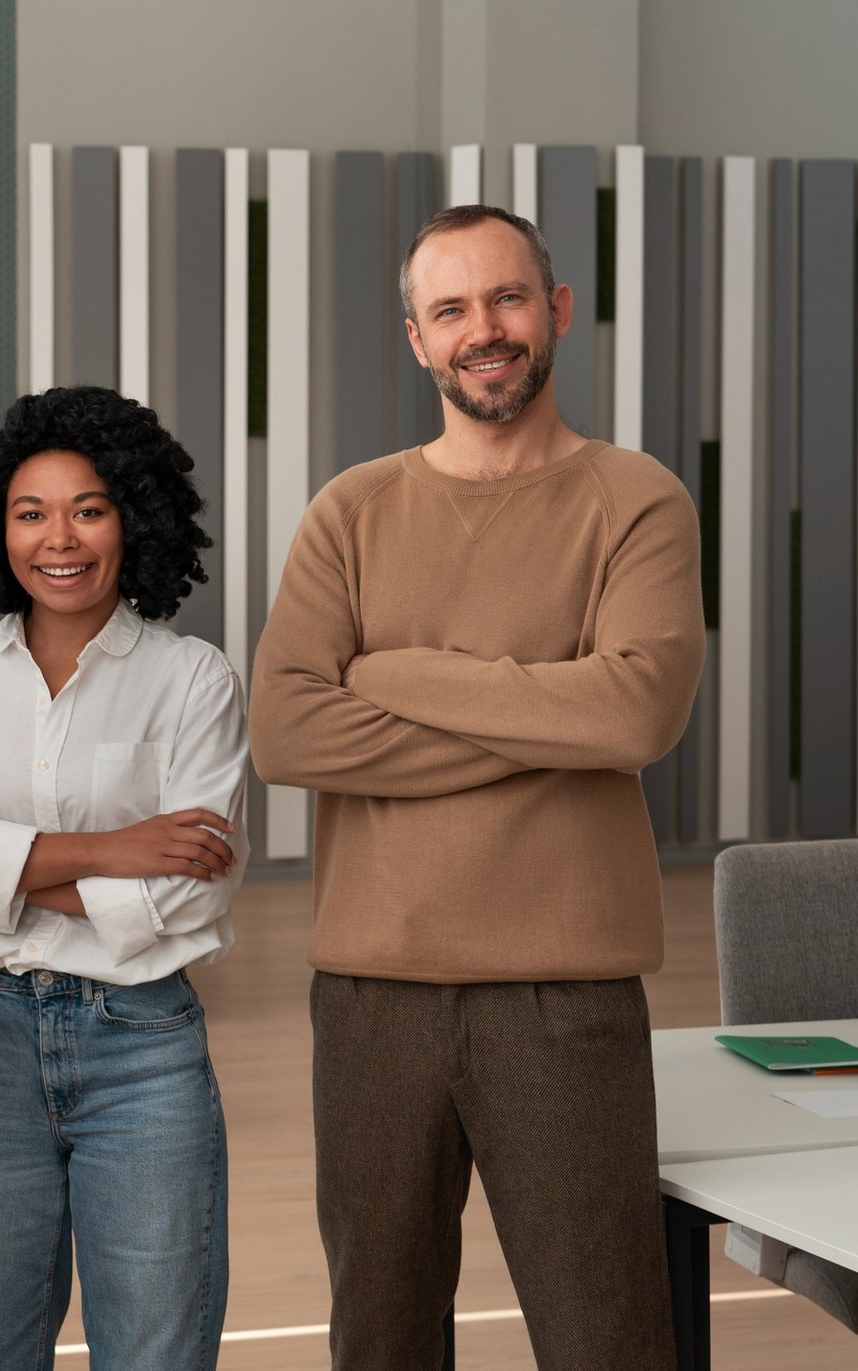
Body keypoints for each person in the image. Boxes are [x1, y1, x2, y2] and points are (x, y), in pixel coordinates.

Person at [250, 205, 704, 1369]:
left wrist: (397, 676)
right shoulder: (352, 511)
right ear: (417, 339)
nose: (483, 330)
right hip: (371, 1001)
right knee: (381, 1342)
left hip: (567, 996)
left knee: (608, 1339)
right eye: (450, 309)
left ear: (557, 310)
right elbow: (287, 731)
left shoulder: (638, 500)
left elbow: (635, 714)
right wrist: (553, 718)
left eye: (506, 298)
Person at [0, 385, 249, 1370]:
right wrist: (109, 848)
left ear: (134, 517)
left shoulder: (194, 679)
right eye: (30, 512)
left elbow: (192, 888)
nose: (60, 539)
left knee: (157, 1351)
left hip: (144, 1049)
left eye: (88, 509)